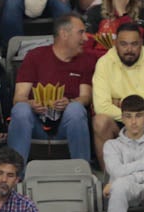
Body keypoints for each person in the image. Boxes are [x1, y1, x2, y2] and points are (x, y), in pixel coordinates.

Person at [8, 14, 96, 163]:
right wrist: (31, 104)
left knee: (76, 109)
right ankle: (14, 174)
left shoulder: (86, 60)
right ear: (64, 34)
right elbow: (19, 98)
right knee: (20, 110)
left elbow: (86, 97)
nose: (86, 38)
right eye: (80, 32)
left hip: (66, 124)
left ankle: (82, 171)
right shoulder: (35, 56)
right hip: (37, 123)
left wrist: (69, 102)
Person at [91, 22, 144, 161]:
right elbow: (101, 107)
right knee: (100, 121)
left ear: (141, 44)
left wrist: (126, 106)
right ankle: (109, 179)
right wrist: (130, 115)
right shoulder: (104, 62)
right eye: (124, 44)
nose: (129, 49)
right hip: (117, 120)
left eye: (134, 44)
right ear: (115, 44)